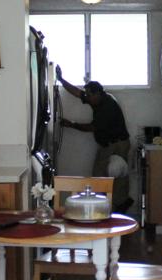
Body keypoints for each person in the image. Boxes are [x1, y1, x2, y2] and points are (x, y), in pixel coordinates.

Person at [56, 66, 132, 212]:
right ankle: (108, 207)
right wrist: (61, 79)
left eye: (89, 95)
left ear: (97, 94)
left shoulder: (107, 106)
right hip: (108, 144)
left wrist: (71, 124)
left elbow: (92, 127)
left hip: (117, 145)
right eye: (87, 95)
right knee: (102, 177)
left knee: (114, 178)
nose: (87, 98)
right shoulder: (96, 98)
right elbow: (77, 93)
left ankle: (115, 209)